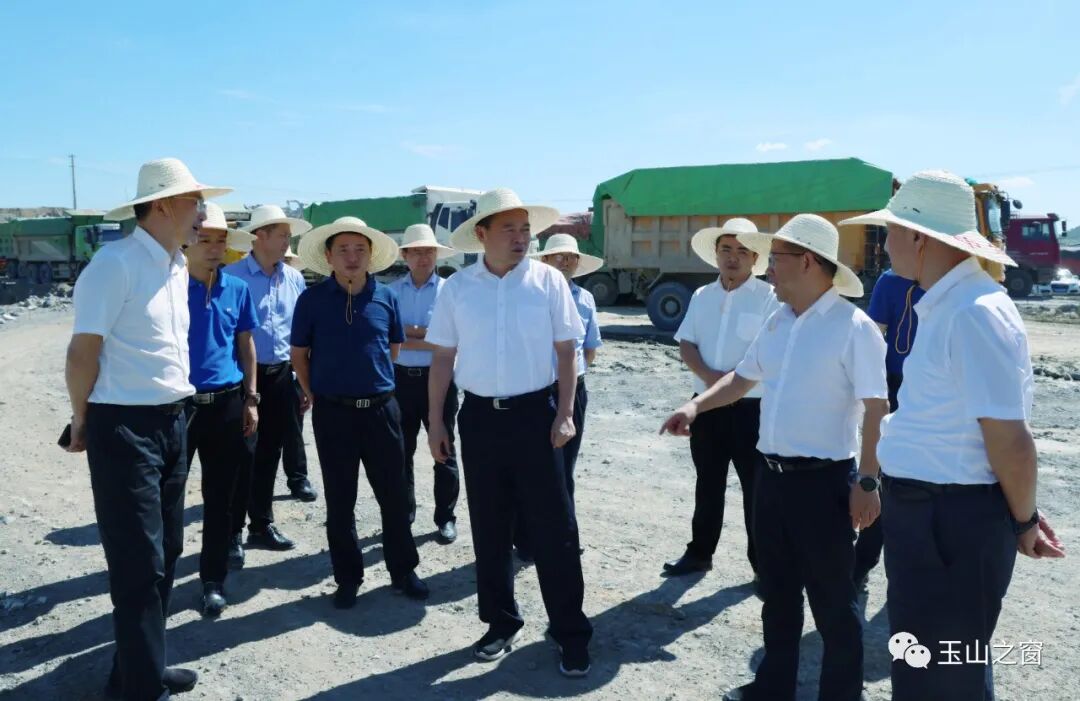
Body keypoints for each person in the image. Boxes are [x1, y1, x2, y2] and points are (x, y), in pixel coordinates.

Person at [841, 171, 1066, 700]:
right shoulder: (951, 305)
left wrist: (1023, 518)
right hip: (935, 516)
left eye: (891, 232)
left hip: (951, 521)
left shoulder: (972, 313)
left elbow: (1009, 438)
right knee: (930, 667)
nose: (884, 244)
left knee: (945, 675)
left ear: (919, 238)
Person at [661, 214, 889, 701]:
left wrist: (867, 482)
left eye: (776, 259)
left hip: (825, 484)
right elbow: (742, 379)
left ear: (807, 262)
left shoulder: (855, 328)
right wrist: (695, 406)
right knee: (778, 593)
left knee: (833, 603)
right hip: (772, 478)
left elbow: (876, 408)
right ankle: (773, 688)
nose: (767, 270)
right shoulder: (779, 320)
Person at [65, 157, 230, 699]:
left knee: (166, 554)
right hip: (124, 428)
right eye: (194, 202)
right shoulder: (114, 263)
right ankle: (140, 689)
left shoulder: (176, 264)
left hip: (173, 421)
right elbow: (82, 352)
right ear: (162, 206)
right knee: (138, 565)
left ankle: (139, 669)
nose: (203, 213)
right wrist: (82, 418)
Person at [425, 188, 593, 677]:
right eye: (509, 230)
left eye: (525, 230)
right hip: (479, 418)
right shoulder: (458, 288)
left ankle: (570, 631)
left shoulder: (548, 281)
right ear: (481, 234)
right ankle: (500, 622)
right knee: (490, 525)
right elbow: (443, 357)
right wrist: (436, 421)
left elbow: (568, 350)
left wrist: (565, 412)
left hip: (537, 417)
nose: (521, 238)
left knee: (555, 528)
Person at [292, 216, 428, 608]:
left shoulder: (386, 297)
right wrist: (314, 392)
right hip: (334, 414)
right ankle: (348, 578)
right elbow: (299, 355)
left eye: (360, 250)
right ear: (329, 256)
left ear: (370, 255)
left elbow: (393, 348)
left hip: (382, 411)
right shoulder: (312, 300)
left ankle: (403, 570)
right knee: (340, 500)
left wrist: (370, 380)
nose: (352, 257)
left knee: (394, 496)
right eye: (343, 250)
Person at [663, 219, 777, 581]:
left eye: (742, 251)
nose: (733, 257)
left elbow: (765, 354)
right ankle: (699, 554)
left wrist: (729, 386)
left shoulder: (769, 298)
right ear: (716, 253)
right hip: (705, 408)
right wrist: (713, 383)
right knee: (708, 484)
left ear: (755, 258)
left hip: (752, 409)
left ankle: (763, 567)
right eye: (726, 249)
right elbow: (686, 343)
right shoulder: (702, 296)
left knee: (756, 492)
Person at [224, 205, 313, 561]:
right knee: (240, 456)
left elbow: (302, 335)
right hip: (243, 379)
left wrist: (302, 381)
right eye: (283, 235)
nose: (288, 242)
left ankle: (260, 524)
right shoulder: (232, 278)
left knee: (270, 453)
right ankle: (231, 533)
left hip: (281, 377)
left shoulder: (294, 279)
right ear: (259, 236)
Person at [183, 203, 260, 617]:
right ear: (187, 241)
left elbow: (246, 345)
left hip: (227, 403)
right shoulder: (170, 289)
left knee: (220, 498)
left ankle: (213, 580)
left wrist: (251, 398)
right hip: (179, 408)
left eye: (220, 240)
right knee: (167, 499)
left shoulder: (237, 289)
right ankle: (155, 581)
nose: (214, 248)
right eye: (205, 239)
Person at [513, 232, 604, 560]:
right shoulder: (530, 295)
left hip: (573, 391)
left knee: (565, 469)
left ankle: (564, 537)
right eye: (558, 256)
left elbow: (589, 349)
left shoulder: (586, 299)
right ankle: (525, 540)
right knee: (531, 468)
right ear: (545, 261)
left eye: (571, 257)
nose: (565, 261)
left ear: (578, 262)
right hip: (537, 391)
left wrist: (573, 377)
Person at [850, 267, 924, 590]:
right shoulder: (891, 281)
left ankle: (912, 573)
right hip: (894, 388)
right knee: (880, 475)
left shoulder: (951, 281)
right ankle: (862, 563)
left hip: (937, 395)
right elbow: (875, 336)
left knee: (923, 484)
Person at [387, 224, 461, 543]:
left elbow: (452, 340)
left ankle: (445, 517)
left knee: (443, 448)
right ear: (404, 255)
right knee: (400, 451)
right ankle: (404, 514)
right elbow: (387, 338)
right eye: (416, 251)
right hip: (400, 381)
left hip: (439, 379)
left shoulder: (449, 291)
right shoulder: (391, 292)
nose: (423, 257)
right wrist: (427, 335)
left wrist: (409, 333)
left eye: (428, 250)